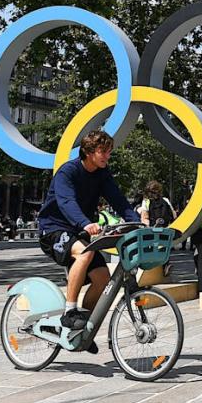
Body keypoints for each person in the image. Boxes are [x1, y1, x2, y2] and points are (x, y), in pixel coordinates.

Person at [37, 130, 140, 338]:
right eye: (103, 152)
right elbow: (67, 202)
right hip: (54, 229)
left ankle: (82, 326)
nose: (107, 156)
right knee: (84, 252)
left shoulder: (102, 173)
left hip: (78, 230)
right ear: (88, 151)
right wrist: (85, 223)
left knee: (103, 279)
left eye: (109, 152)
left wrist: (136, 221)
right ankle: (70, 311)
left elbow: (117, 199)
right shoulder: (68, 172)